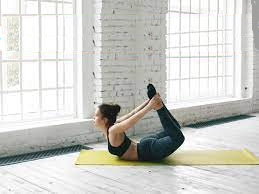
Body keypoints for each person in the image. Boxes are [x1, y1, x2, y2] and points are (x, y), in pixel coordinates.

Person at [93, 84, 185, 162]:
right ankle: (158, 103)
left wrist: (149, 105)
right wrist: (150, 102)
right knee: (175, 129)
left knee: (178, 137)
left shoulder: (113, 130)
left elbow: (131, 120)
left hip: (148, 151)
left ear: (104, 119)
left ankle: (159, 106)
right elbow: (132, 114)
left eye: (96, 115)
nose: (94, 117)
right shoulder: (114, 126)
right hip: (145, 145)